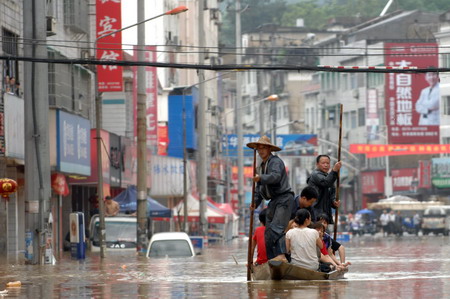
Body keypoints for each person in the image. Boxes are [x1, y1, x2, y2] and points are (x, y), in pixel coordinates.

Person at [247, 135, 294, 262]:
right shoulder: (260, 166)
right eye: (259, 149)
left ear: (269, 149)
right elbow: (259, 189)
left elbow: (275, 176)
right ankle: (272, 259)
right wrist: (255, 202)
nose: (261, 151)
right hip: (273, 201)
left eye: (263, 148)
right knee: (267, 233)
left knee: (276, 228)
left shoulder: (275, 162)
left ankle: (282, 256)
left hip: (284, 198)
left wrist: (261, 178)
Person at [307, 154, 342, 224]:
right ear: (317, 164)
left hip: (326, 213)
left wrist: (334, 202)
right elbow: (326, 182)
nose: (326, 165)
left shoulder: (330, 177)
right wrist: (334, 170)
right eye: (323, 163)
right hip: (315, 213)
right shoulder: (315, 175)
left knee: (323, 234)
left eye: (328, 163)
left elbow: (331, 196)